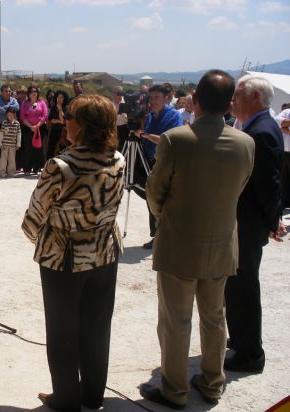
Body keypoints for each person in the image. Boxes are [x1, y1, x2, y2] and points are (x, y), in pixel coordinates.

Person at [138, 70, 255, 409]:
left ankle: (174, 390)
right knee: (215, 317)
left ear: (196, 101)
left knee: (176, 320)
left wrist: (166, 219)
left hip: (179, 243)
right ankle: (213, 381)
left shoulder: (177, 138)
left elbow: (155, 192)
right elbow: (239, 189)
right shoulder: (246, 143)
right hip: (221, 243)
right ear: (230, 103)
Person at [22, 94, 125, 412]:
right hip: (105, 253)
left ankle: (66, 400)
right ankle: (93, 396)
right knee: (96, 326)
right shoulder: (118, 159)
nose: (64, 119)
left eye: (70, 116)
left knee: (62, 330)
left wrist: (45, 236)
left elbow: (33, 218)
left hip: (63, 259)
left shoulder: (60, 166)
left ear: (81, 126)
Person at [224, 74, 285, 374]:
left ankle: (250, 354)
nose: (233, 100)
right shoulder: (254, 127)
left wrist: (273, 222)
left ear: (256, 99)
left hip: (248, 225)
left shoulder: (261, 131)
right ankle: (239, 338)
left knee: (244, 288)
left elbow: (269, 184)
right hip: (244, 222)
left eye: (239, 95)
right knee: (235, 285)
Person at [137, 84, 183, 249]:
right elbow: (146, 136)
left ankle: (164, 234)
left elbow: (168, 139)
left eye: (157, 97)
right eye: (151, 98)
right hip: (148, 160)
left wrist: (147, 136)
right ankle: (156, 234)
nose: (153, 101)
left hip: (164, 162)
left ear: (166, 98)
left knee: (163, 200)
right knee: (151, 198)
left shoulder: (174, 116)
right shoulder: (149, 116)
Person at [19, 85, 48, 175]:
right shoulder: (25, 103)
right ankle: (27, 168)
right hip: (28, 129)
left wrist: (37, 126)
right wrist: (31, 126)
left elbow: (45, 115)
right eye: (32, 91)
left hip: (40, 128)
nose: (34, 93)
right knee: (28, 148)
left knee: (38, 148)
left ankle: (36, 168)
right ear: (29, 93)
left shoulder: (42, 102)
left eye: (35, 91)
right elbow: (22, 116)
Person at [0, 107, 21, 177]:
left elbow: (19, 134)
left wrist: (18, 144)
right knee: (3, 159)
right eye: (8, 115)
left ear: (14, 115)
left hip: (13, 145)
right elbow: (1, 133)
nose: (10, 117)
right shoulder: (4, 123)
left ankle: (11, 172)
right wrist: (0, 143)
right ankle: (2, 172)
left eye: (11, 115)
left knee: (12, 159)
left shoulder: (17, 123)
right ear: (6, 115)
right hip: (4, 145)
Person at [46, 90, 69, 160]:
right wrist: (58, 121)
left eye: (61, 97)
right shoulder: (53, 107)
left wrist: (60, 109)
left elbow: (63, 121)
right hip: (54, 130)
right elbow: (50, 119)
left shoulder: (66, 108)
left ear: (64, 98)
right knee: (51, 148)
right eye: (58, 97)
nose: (59, 99)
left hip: (63, 132)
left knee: (62, 149)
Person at [274, 106, 290, 208]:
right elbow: (277, 122)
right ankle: (282, 204)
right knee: (282, 180)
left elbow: (282, 125)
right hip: (284, 152)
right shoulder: (287, 111)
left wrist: (285, 127)